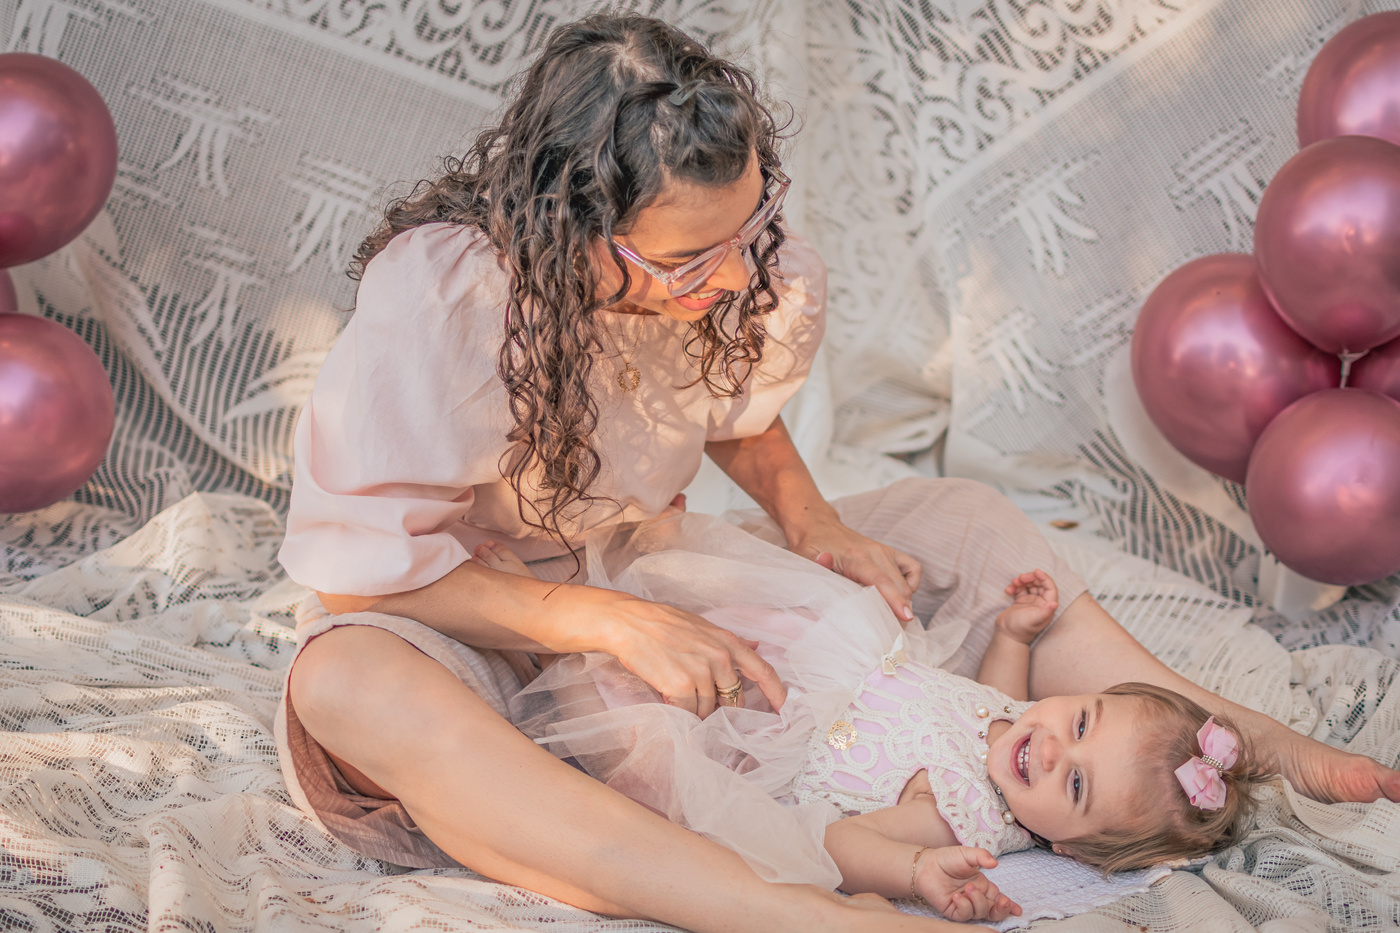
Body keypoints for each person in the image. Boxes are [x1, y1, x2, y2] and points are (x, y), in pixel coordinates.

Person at [273, 11, 1400, 933]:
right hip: (477, 620)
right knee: (343, 683)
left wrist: (812, 522)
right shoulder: (449, 300)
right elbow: (359, 572)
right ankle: (778, 907)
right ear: (569, 225)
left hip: (650, 572)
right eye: (688, 261)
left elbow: (730, 412)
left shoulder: (734, 266)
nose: (731, 280)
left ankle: (1212, 733)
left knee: (962, 522)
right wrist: (608, 624)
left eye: (746, 231)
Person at [483, 526, 1268, 924]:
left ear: (1068, 846)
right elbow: (991, 699)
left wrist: (913, 870)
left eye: (1075, 783)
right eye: (1084, 719)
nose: (1055, 746)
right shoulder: (1016, 727)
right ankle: (593, 590)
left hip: (762, 737)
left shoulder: (962, 817)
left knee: (636, 743)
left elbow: (836, 842)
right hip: (806, 663)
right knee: (708, 608)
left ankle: (538, 649)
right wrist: (1014, 636)